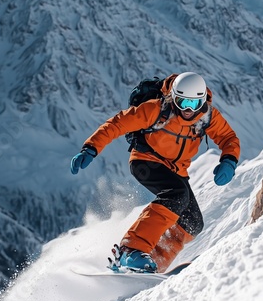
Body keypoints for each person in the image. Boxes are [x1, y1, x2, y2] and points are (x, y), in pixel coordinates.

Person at [71, 72, 240, 273]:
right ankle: (131, 251)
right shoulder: (157, 110)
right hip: (146, 161)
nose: (187, 110)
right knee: (176, 195)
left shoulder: (207, 116)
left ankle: (152, 263)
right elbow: (118, 124)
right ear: (173, 97)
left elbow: (228, 137)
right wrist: (91, 148)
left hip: (176, 170)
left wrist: (229, 160)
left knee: (192, 222)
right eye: (182, 102)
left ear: (203, 102)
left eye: (194, 104)